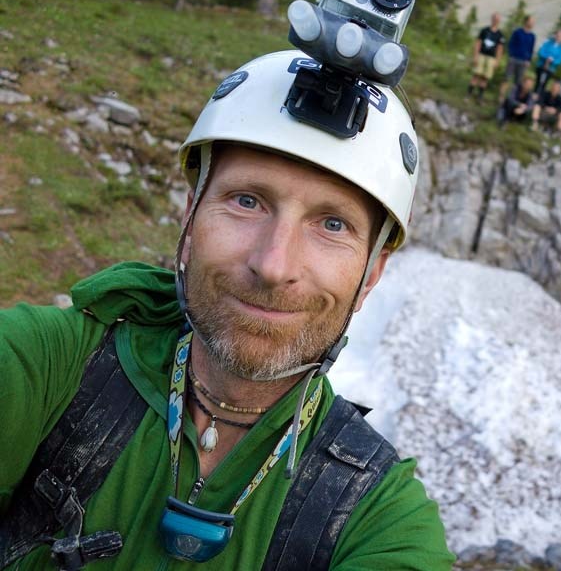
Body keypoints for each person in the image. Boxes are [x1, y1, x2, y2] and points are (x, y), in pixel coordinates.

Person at [0, 50, 454, 570]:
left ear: (371, 273)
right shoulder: (45, 367)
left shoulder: (380, 518)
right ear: (190, 217)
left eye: (332, 225)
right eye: (247, 201)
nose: (273, 264)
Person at [467, 12, 505, 103]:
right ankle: (468, 95)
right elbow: (478, 43)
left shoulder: (500, 35)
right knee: (476, 74)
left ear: (499, 21)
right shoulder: (484, 30)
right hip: (481, 55)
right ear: (492, 19)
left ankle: (480, 97)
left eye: (497, 19)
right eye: (494, 19)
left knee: (485, 77)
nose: (496, 21)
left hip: (491, 58)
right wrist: (475, 56)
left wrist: (497, 61)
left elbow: (500, 49)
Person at [498, 15, 536, 102]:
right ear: (526, 21)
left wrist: (529, 60)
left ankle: (512, 98)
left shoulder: (532, 36)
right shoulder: (517, 32)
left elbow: (531, 49)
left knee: (518, 82)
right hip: (514, 58)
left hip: (524, 61)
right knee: (507, 78)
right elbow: (511, 44)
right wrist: (511, 55)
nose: (532, 23)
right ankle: (501, 97)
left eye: (533, 22)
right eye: (531, 21)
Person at [533, 28, 561, 97]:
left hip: (550, 69)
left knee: (544, 84)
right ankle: (533, 96)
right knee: (537, 82)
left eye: (560, 36)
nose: (558, 37)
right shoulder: (548, 42)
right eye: (557, 35)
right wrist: (546, 57)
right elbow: (541, 51)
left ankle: (539, 98)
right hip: (541, 65)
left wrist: (552, 60)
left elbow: (559, 59)